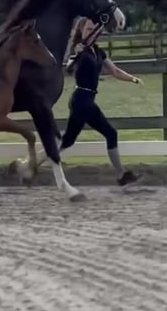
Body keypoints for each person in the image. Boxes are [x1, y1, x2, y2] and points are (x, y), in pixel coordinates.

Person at [60, 17, 144, 186]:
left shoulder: (98, 52)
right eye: (87, 30)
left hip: (87, 100)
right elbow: (68, 68)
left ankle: (33, 162)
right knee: (107, 133)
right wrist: (76, 53)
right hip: (81, 100)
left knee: (69, 140)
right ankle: (121, 176)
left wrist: (133, 79)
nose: (91, 32)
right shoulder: (79, 51)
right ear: (81, 32)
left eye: (93, 29)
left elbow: (115, 71)